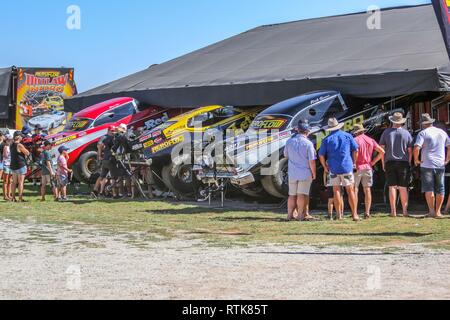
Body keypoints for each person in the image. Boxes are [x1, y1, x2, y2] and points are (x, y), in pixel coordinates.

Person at [319, 118, 360, 221]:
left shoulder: (326, 139)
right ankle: (354, 214)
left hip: (333, 168)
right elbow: (355, 150)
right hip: (347, 167)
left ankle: (338, 215)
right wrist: (354, 162)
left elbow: (321, 155)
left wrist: (324, 166)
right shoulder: (348, 136)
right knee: (350, 190)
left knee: (336, 190)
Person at [413, 114, 450, 218]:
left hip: (427, 163)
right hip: (440, 164)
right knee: (440, 189)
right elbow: (449, 146)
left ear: (423, 124)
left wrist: (416, 160)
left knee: (429, 188)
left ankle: (431, 211)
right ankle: (438, 212)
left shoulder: (422, 133)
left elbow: (416, 147)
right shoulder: (442, 132)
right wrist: (447, 159)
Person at [379, 112, 413, 217]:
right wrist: (409, 162)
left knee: (392, 187)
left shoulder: (386, 132)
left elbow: (381, 149)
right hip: (403, 162)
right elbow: (410, 150)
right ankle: (404, 211)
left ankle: (393, 211)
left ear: (392, 121)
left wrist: (383, 163)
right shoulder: (407, 133)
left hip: (389, 162)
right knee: (403, 188)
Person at [284, 121, 317, 221]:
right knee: (301, 194)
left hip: (292, 172)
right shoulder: (308, 143)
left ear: (298, 130)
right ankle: (300, 215)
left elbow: (285, 155)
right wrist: (314, 173)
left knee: (292, 195)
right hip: (304, 173)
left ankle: (289, 215)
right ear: (307, 132)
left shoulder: (289, 141)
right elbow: (312, 161)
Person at [352, 124, 385, 219]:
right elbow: (382, 152)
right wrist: (373, 162)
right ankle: (367, 212)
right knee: (367, 189)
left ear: (356, 132)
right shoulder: (370, 140)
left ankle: (355, 212)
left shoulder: (355, 140)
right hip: (368, 167)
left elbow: (355, 152)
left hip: (357, 167)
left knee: (355, 189)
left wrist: (354, 162)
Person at [99, 126, 119, 198]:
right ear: (108, 130)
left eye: (114, 131)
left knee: (103, 177)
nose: (113, 132)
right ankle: (114, 195)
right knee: (113, 178)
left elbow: (100, 146)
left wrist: (100, 155)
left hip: (105, 159)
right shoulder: (113, 138)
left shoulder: (104, 138)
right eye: (112, 131)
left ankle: (101, 193)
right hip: (110, 160)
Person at [10, 132, 30, 202]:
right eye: (21, 136)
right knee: (21, 182)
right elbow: (27, 153)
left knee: (14, 182)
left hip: (13, 165)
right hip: (20, 165)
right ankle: (20, 198)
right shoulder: (19, 145)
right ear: (18, 137)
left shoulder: (11, 144)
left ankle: (13, 198)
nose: (22, 138)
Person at [2, 134, 13, 201]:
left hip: (11, 165)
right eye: (8, 140)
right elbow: (5, 156)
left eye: (10, 140)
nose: (10, 141)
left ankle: (9, 194)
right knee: (5, 181)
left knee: (10, 181)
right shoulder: (5, 147)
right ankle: (5, 195)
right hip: (6, 165)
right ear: (6, 140)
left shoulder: (11, 147)